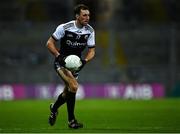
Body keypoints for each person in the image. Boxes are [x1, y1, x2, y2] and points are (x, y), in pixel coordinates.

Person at [46, 4, 95, 129]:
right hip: (61, 63)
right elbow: (49, 43)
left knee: (67, 93)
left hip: (75, 65)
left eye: (88, 15)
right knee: (73, 86)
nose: (87, 17)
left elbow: (92, 51)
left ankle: (54, 108)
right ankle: (71, 121)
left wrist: (84, 61)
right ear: (77, 16)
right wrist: (58, 56)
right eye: (84, 15)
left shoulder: (90, 31)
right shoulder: (64, 27)